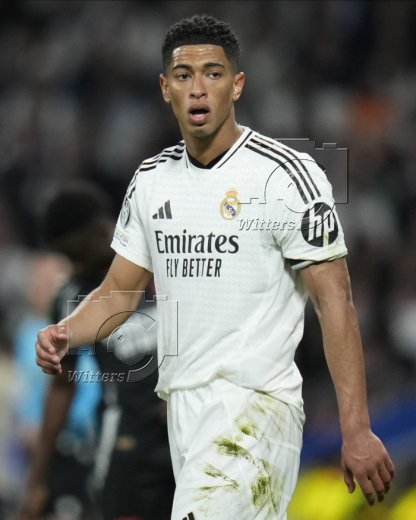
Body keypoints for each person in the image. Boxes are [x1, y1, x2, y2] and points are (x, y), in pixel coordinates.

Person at [36, 15, 395, 520]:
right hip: (183, 411)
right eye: (184, 76)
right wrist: (66, 332)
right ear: (165, 88)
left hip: (254, 407)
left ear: (238, 84)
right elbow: (119, 292)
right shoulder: (152, 181)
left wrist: (356, 428)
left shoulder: (285, 176)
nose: (198, 88)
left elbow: (335, 301)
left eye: (213, 73)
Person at [22, 183, 174, 520]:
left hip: (190, 424)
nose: (73, 264)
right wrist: (38, 476)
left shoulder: (165, 264)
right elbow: (62, 387)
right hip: (127, 440)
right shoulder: (72, 295)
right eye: (65, 256)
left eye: (75, 252)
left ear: (100, 228)